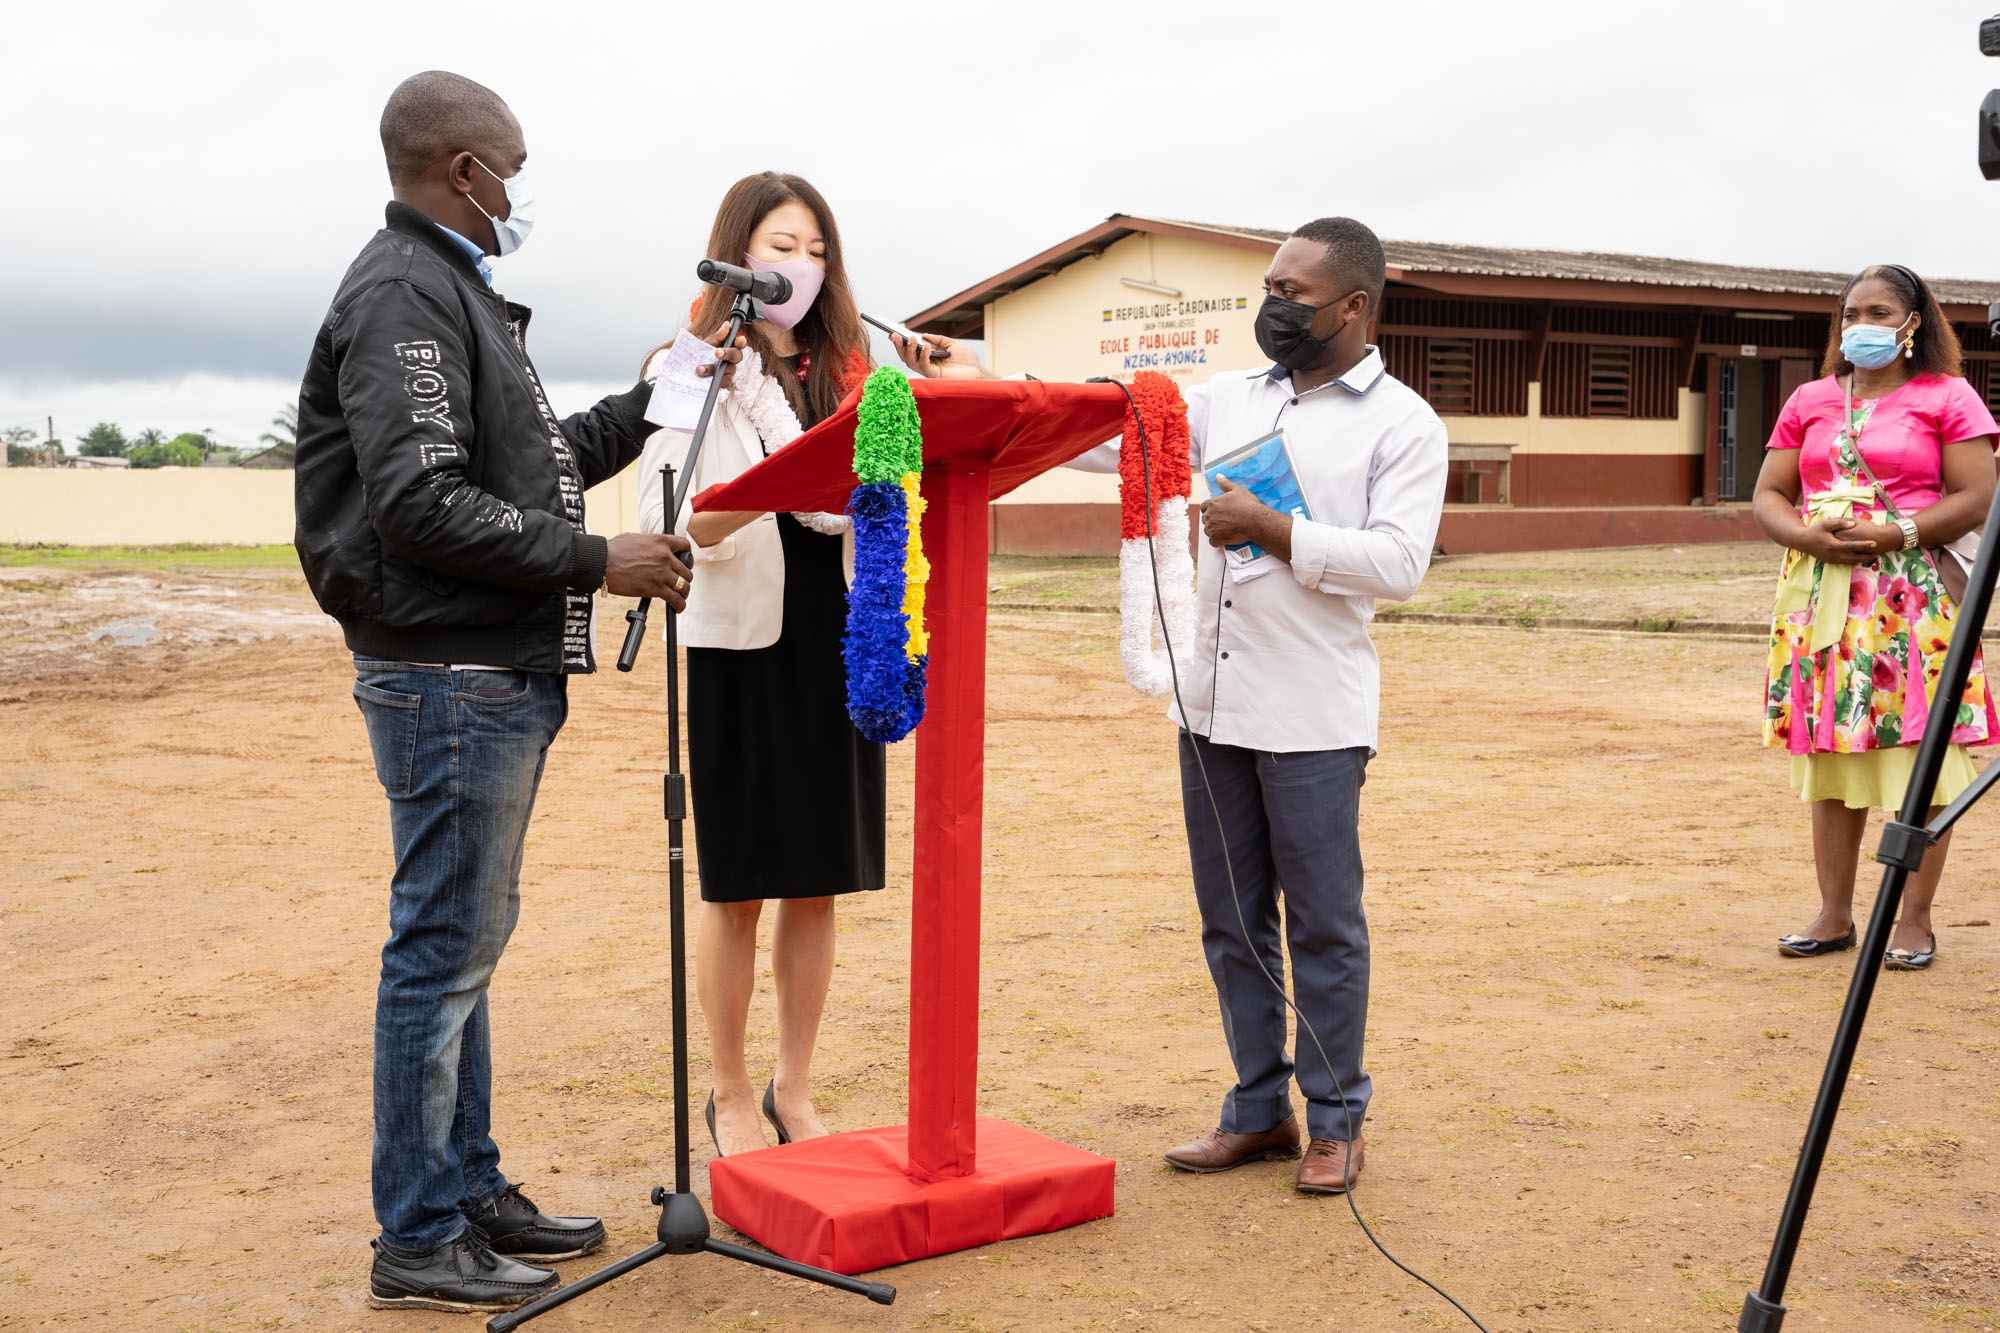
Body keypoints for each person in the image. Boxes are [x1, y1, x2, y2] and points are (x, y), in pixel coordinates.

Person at [895, 216, 1449, 1194]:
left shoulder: (1402, 422)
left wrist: (1269, 528)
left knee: (1322, 924)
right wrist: (971, 369)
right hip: (1209, 706)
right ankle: (1255, 1109)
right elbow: (1110, 436)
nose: (1272, 308)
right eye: (1268, 288)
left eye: (1294, 295)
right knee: (1231, 921)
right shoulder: (1224, 397)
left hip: (1311, 713)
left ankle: (1335, 1121)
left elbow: (1398, 563)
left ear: (1353, 307)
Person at [294, 70, 710, 1314]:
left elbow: (534, 468)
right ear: (461, 168)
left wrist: (655, 401)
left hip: (484, 666)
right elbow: (422, 504)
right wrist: (602, 559)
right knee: (440, 951)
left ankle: (466, 1187)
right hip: (447, 675)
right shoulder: (404, 296)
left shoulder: (457, 296)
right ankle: (416, 1232)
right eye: (511, 169)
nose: (519, 192)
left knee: (464, 948)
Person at [635, 173, 877, 1159]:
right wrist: (774, 490)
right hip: (740, 635)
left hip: (839, 628)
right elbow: (666, 519)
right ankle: (728, 1091)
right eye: (782, 246)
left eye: (817, 250)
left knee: (816, 879)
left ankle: (794, 1085)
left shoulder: (856, 367)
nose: (801, 269)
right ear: (738, 252)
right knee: (736, 883)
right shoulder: (690, 364)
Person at [1753, 263, 1999, 971]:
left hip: (1911, 599)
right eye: (1851, 312)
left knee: (1919, 753)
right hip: (1821, 597)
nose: (1862, 324)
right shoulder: (1809, 399)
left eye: (1880, 311)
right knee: (1831, 750)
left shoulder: (1948, 396)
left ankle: (1913, 918)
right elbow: (1771, 489)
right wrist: (1803, 534)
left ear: (1914, 322)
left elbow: (1980, 493)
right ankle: (1833, 913)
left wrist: (1900, 534)